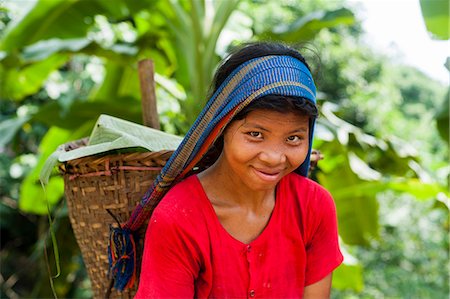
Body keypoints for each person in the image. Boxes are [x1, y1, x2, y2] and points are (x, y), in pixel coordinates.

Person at [129, 42, 343, 298]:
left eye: (294, 138)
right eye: (255, 134)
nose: (274, 157)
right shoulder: (178, 218)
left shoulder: (314, 206)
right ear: (221, 126)